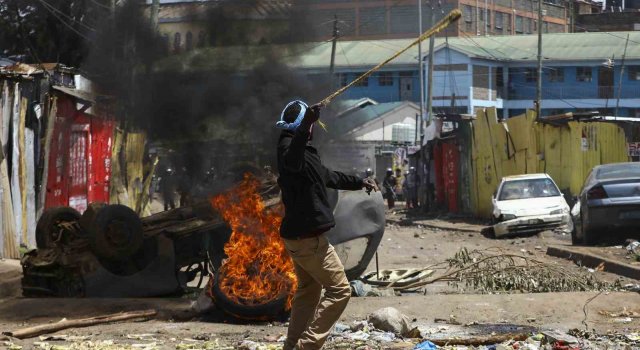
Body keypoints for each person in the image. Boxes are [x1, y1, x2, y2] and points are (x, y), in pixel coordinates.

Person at [276, 100, 378, 350]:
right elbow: (293, 158)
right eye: (310, 125)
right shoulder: (289, 150)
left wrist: (359, 182)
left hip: (299, 238)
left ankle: (292, 346)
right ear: (304, 127)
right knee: (340, 291)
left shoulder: (306, 154)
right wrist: (306, 125)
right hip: (309, 239)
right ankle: (308, 346)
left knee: (309, 290)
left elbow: (329, 176)